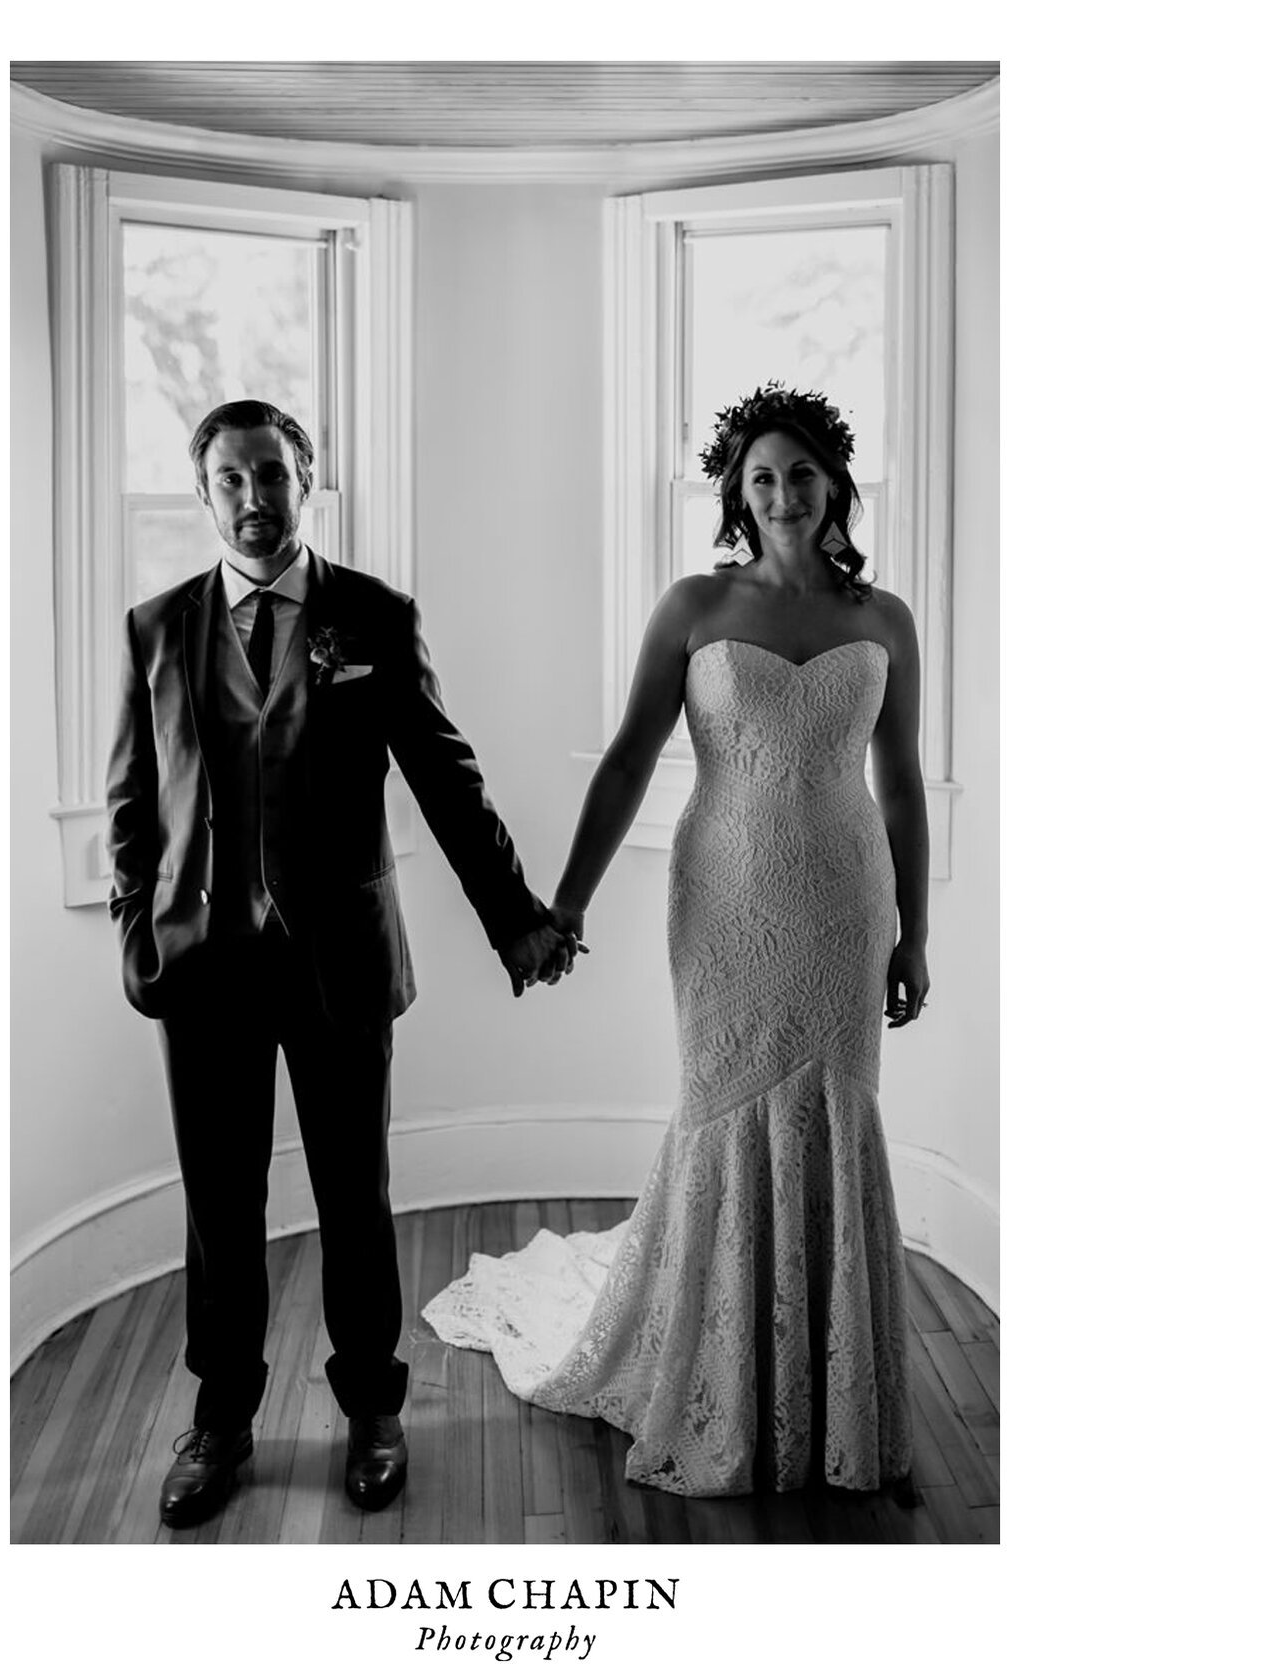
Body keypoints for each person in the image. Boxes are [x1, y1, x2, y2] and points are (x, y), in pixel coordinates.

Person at [424, 382, 929, 1497]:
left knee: (836, 1111)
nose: (783, 492)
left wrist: (915, 934)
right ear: (736, 497)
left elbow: (900, 787)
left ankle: (830, 1393)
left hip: (848, 905)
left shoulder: (883, 619)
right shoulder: (694, 604)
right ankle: (721, 1376)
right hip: (724, 904)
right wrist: (564, 905)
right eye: (761, 477)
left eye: (802, 473)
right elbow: (624, 760)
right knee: (722, 1104)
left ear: (836, 483)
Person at [106, 398, 574, 1529]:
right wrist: (136, 927)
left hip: (338, 959)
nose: (255, 498)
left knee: (351, 1191)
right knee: (220, 1202)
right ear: (204, 490)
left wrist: (513, 911)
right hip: (203, 964)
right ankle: (220, 1418)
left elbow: (444, 776)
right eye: (231, 479)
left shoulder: (370, 614)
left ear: (306, 477)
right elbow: (133, 800)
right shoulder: (156, 627)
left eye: (273, 474)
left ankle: (373, 1406)